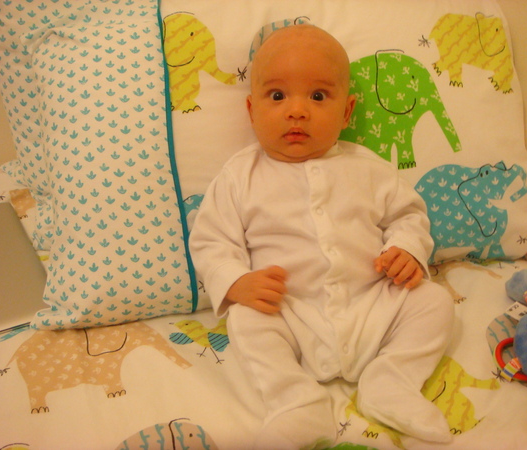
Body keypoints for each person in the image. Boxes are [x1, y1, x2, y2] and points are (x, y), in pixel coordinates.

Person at [189, 24, 454, 449]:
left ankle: (391, 381)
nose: (297, 111)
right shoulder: (239, 176)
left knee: (433, 301)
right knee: (245, 319)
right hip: (289, 312)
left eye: (317, 96)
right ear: (251, 110)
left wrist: (405, 248)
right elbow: (211, 241)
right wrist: (236, 282)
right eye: (278, 95)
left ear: (347, 112)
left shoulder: (369, 169)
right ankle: (296, 401)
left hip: (371, 306)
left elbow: (408, 215)